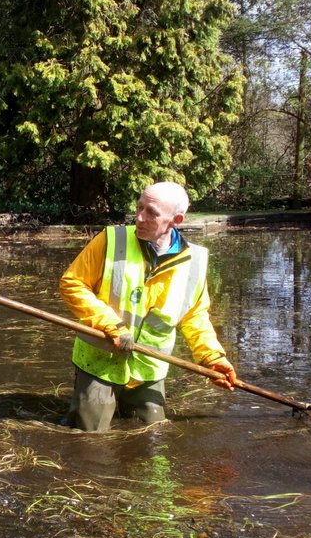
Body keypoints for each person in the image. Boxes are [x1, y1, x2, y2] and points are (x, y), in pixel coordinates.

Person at [59, 181, 238, 429]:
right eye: (139, 207)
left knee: (152, 435)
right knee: (89, 435)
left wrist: (211, 357)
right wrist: (111, 325)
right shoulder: (110, 240)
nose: (140, 218)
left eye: (151, 213)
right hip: (99, 360)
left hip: (148, 367)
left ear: (176, 220)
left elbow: (195, 316)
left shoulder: (195, 261)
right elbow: (73, 284)